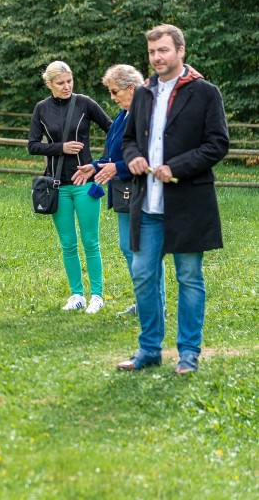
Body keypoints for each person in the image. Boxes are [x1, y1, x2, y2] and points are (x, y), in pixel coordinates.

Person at [118, 24, 229, 374]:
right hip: (147, 204)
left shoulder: (205, 92)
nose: (157, 58)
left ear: (181, 50)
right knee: (143, 275)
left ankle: (188, 353)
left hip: (188, 203)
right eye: (152, 52)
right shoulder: (143, 93)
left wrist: (175, 166)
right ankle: (149, 349)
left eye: (163, 50)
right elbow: (129, 139)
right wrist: (134, 156)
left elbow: (217, 143)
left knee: (189, 276)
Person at [73, 65, 166, 317]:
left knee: (145, 248)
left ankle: (157, 304)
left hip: (143, 189)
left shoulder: (148, 114)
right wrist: (94, 166)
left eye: (115, 91)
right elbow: (112, 153)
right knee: (128, 247)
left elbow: (151, 156)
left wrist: (119, 168)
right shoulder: (123, 115)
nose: (112, 97)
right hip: (123, 190)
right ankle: (143, 302)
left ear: (132, 89)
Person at [28, 61, 112, 314]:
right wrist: (60, 148)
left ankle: (97, 295)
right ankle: (77, 295)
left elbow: (115, 131)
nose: (67, 86)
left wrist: (100, 164)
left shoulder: (85, 103)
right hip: (56, 186)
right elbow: (32, 145)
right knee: (67, 244)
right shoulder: (41, 109)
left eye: (69, 81)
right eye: (60, 83)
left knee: (91, 242)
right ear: (50, 84)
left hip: (85, 183)